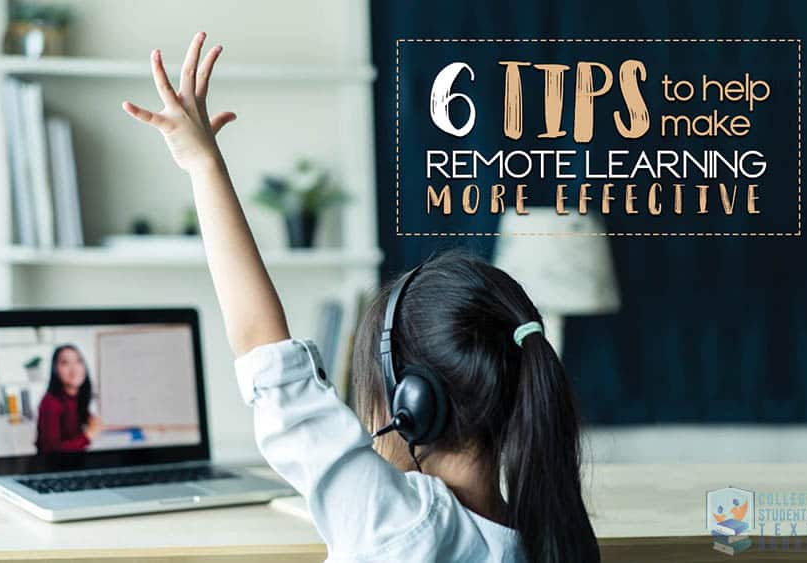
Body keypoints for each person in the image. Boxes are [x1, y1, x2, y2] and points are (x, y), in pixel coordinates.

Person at [122, 32, 600, 562]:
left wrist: (203, 165)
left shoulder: (399, 521)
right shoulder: (549, 540)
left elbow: (263, 347)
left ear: (411, 407)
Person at [35, 344, 102, 453]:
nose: (74, 369)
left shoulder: (77, 396)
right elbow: (52, 451)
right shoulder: (50, 402)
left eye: (78, 361)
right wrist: (88, 436)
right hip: (56, 467)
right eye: (65, 363)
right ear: (55, 369)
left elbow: (90, 421)